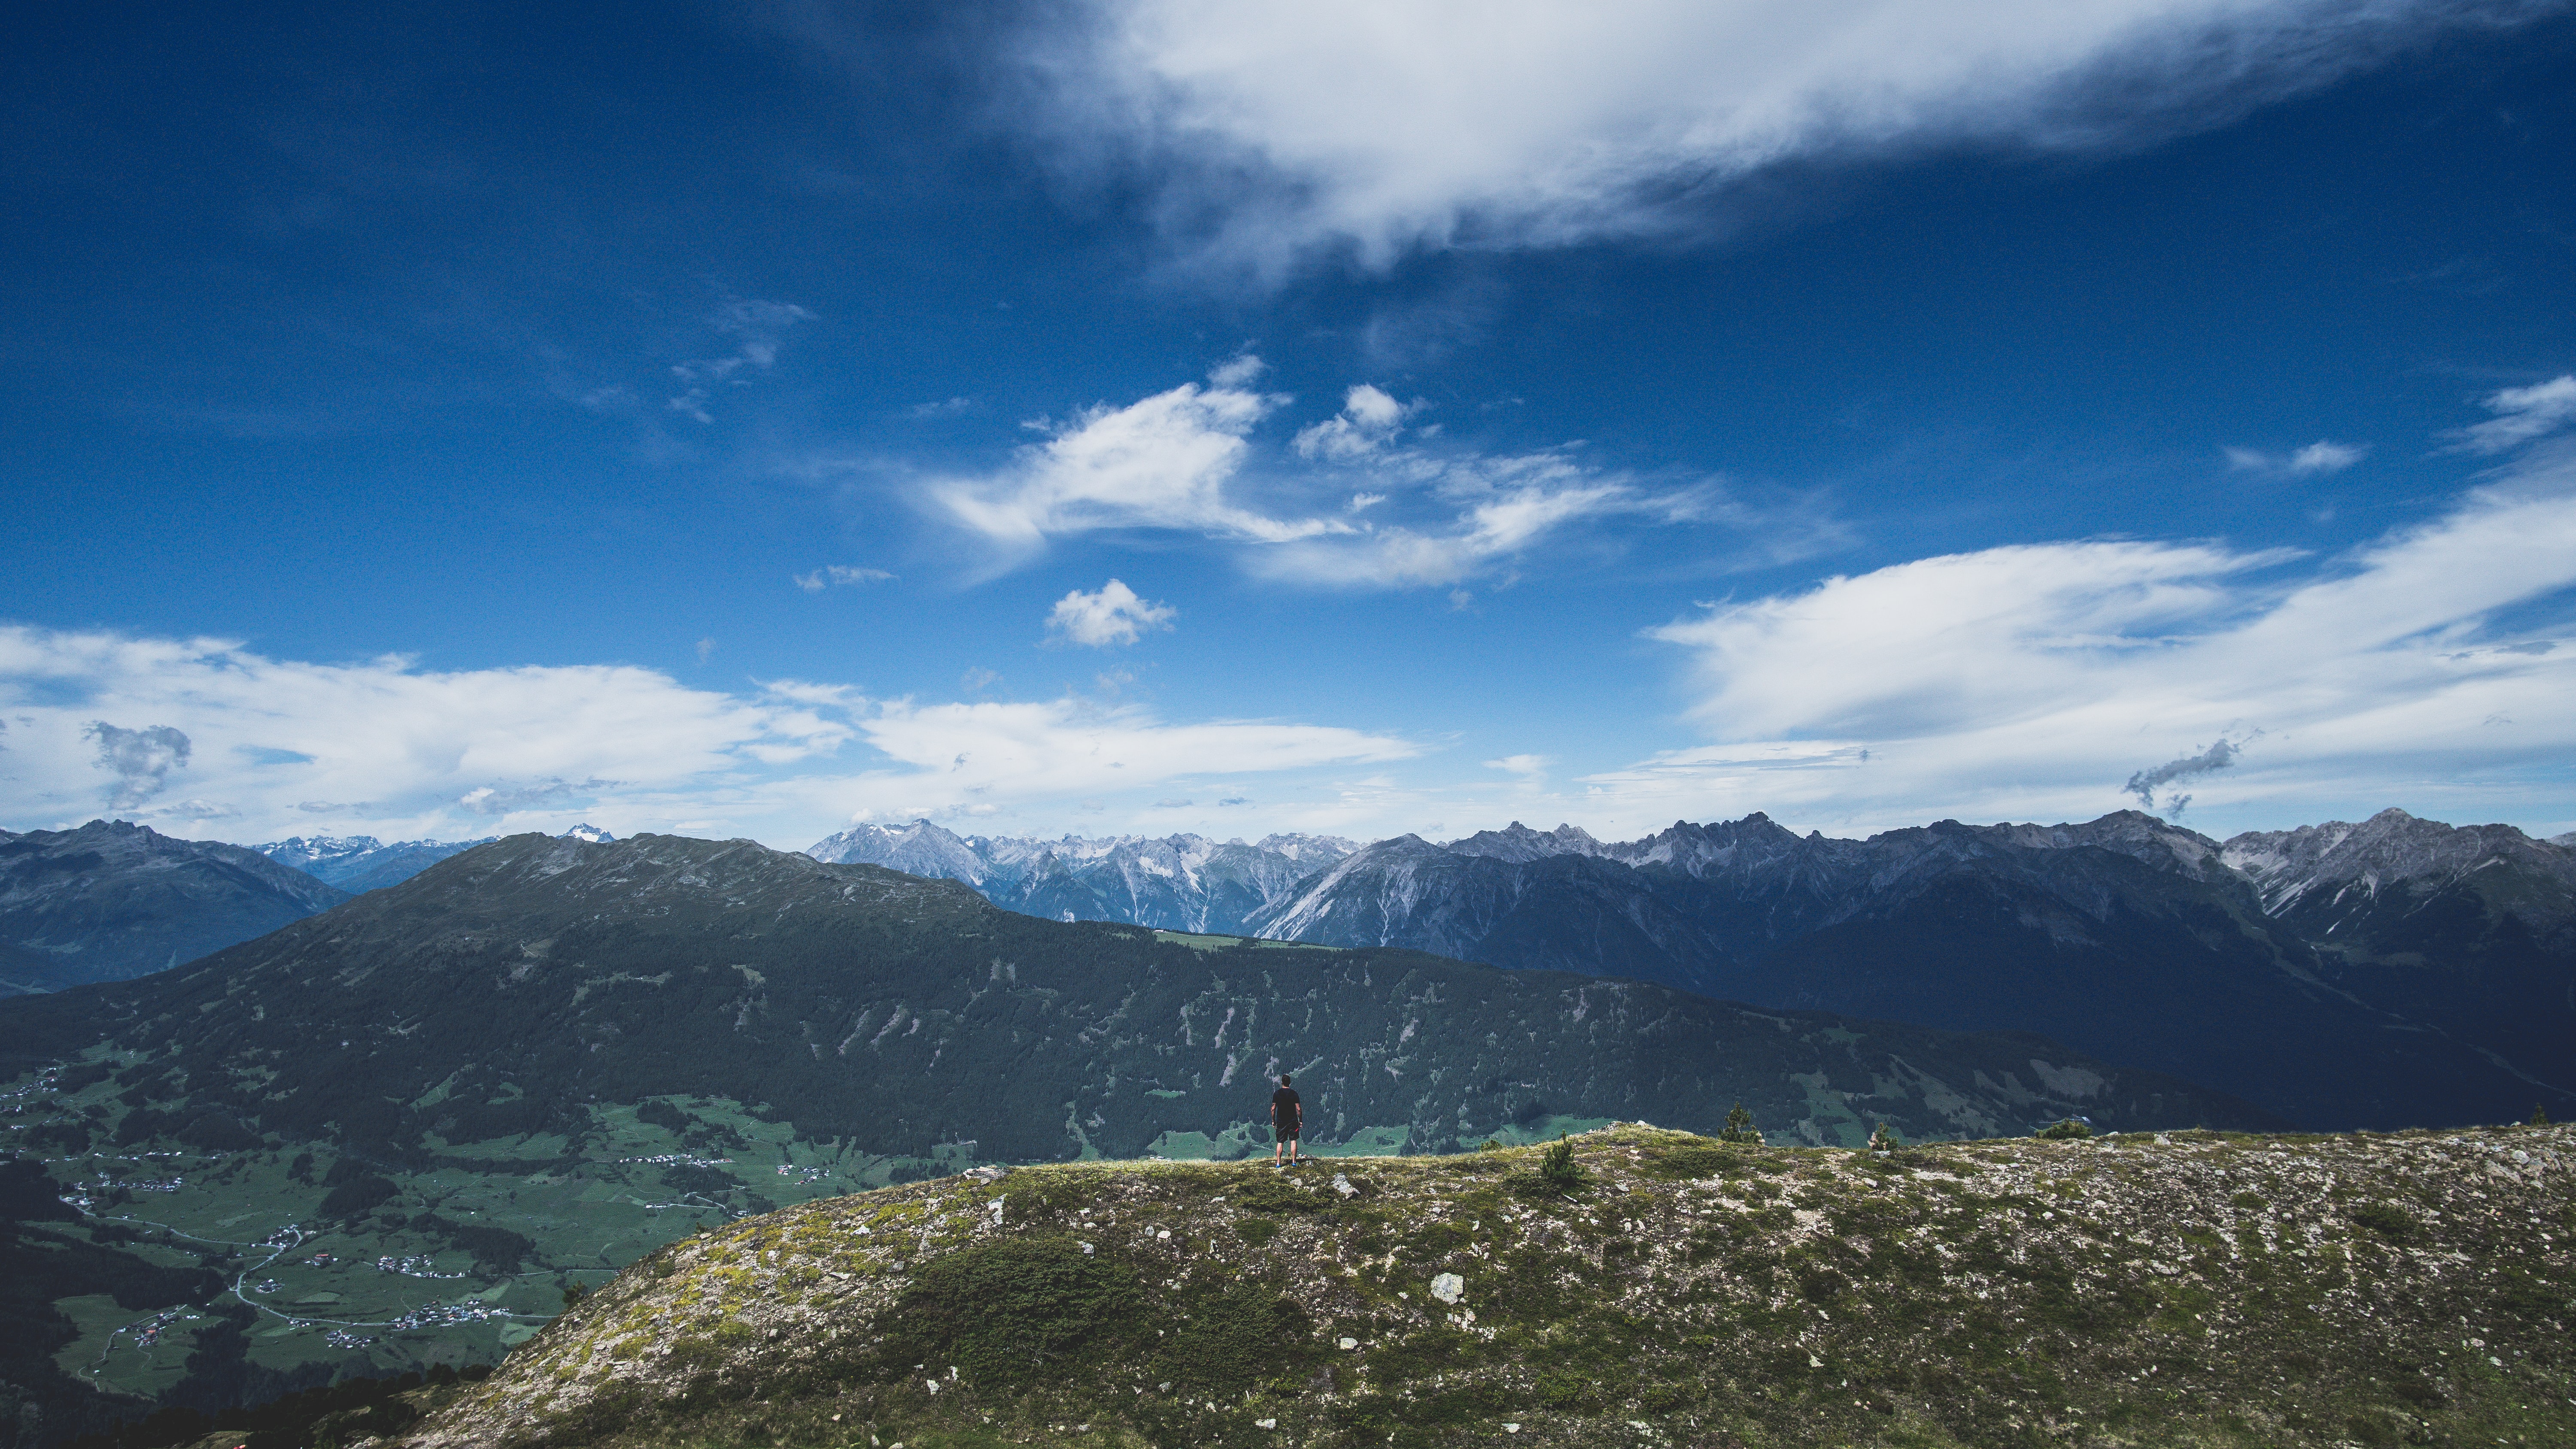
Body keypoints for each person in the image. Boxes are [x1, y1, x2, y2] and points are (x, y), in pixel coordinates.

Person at [1270, 1073, 1303, 1166]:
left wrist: (1273, 1120)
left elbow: (1273, 1108)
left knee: (1280, 1142)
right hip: (1293, 1121)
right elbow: (1299, 1109)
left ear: (1282, 1083)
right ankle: (1294, 1162)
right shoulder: (1294, 1094)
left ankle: (1278, 1163)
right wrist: (1300, 1120)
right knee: (1293, 1140)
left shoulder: (1277, 1094)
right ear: (1290, 1083)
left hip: (1281, 1121)